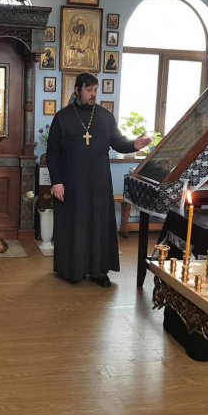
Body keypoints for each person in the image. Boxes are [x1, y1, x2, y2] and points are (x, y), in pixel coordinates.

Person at [46, 72, 151, 287]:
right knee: (74, 224)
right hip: (71, 181)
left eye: (95, 90)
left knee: (98, 224)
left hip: (99, 181)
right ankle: (72, 270)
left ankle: (98, 271)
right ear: (77, 90)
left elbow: (118, 142)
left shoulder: (105, 116)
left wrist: (134, 145)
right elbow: (53, 153)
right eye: (88, 90)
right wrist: (56, 181)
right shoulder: (62, 117)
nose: (93, 94)